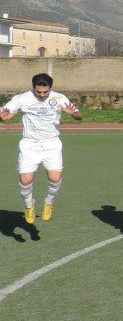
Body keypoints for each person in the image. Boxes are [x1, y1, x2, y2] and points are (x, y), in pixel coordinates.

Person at [0, 73, 82, 224]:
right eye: (39, 92)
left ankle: (48, 202)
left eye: (46, 92)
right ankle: (29, 205)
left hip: (52, 144)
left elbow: (79, 115)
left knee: (54, 178)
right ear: (33, 88)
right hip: (29, 144)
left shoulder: (59, 98)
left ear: (51, 88)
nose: (42, 95)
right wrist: (2, 117)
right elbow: (5, 113)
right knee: (25, 180)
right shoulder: (22, 98)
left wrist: (74, 114)